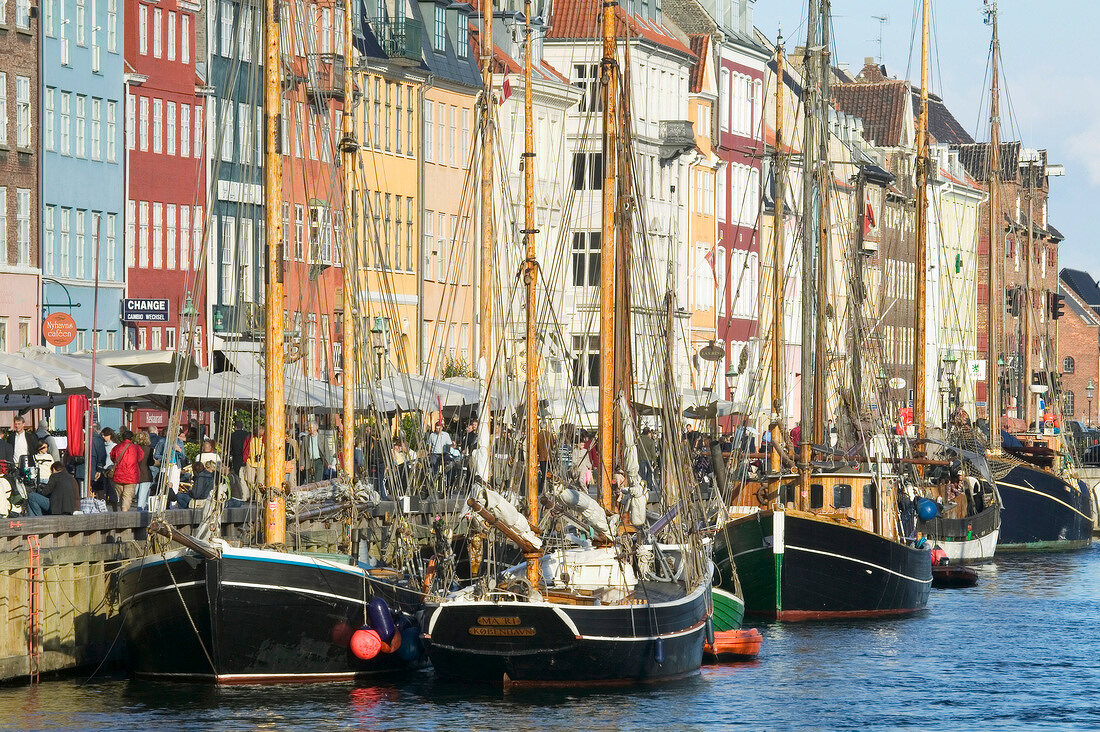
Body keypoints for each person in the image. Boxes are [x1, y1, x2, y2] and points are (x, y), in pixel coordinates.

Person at [110, 430, 141, 511]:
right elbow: (140, 457)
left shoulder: (116, 447)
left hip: (118, 475)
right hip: (131, 475)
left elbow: (112, 458)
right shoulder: (136, 448)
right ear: (131, 438)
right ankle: (124, 513)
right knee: (127, 496)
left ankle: (122, 512)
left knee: (120, 497)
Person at [133, 430, 155, 510]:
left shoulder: (134, 448)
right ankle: (141, 515)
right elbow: (151, 462)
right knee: (142, 498)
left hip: (135, 475)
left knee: (137, 496)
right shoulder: (149, 449)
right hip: (146, 474)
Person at [243, 425, 265, 498]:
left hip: (261, 463)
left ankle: (259, 499)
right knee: (249, 480)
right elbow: (245, 447)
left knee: (260, 482)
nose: (261, 431)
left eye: (262, 430)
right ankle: (256, 491)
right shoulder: (250, 437)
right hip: (250, 461)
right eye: (260, 429)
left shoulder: (265, 439)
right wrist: (245, 458)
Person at [638, 427, 658, 495]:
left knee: (643, 474)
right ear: (648, 433)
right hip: (649, 459)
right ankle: (649, 487)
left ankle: (643, 488)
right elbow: (653, 453)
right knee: (649, 474)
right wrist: (655, 462)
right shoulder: (650, 441)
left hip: (641, 459)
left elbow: (638, 450)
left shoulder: (639, 440)